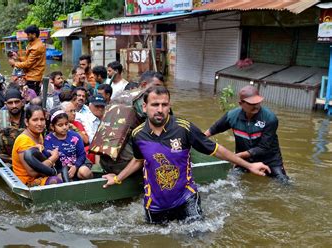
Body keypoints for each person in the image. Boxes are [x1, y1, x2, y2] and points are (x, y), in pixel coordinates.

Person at [103, 86, 271, 224]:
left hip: (186, 198)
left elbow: (216, 149)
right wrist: (118, 178)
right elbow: (138, 160)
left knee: (198, 237)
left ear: (169, 106)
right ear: (145, 107)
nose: (160, 110)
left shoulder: (184, 128)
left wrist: (249, 165)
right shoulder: (138, 134)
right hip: (154, 204)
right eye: (155, 105)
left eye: (164, 104)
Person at [204, 85, 288, 182]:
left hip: (270, 160)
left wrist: (234, 157)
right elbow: (214, 129)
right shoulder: (232, 116)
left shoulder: (270, 118)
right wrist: (198, 139)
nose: (256, 106)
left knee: (283, 183)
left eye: (258, 102)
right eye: (251, 103)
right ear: (241, 103)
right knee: (230, 181)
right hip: (244, 161)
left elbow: (263, 147)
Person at [11, 105, 61, 186]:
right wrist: (53, 158)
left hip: (42, 175)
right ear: (27, 122)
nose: (40, 123)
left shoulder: (39, 135)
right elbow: (32, 172)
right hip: (27, 182)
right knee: (56, 181)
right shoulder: (23, 140)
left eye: (42, 119)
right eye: (35, 120)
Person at [44, 110, 93, 180]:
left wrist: (75, 166)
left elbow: (82, 155)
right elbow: (48, 157)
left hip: (78, 165)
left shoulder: (75, 136)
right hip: (60, 169)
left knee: (84, 172)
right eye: (60, 125)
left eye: (66, 124)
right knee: (59, 179)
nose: (64, 127)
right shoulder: (48, 139)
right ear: (52, 126)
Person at [13, 25, 46, 95]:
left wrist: (14, 64)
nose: (27, 36)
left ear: (34, 35)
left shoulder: (37, 47)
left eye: (28, 34)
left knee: (32, 97)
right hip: (30, 75)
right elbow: (28, 59)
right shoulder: (31, 44)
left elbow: (28, 64)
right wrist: (18, 58)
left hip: (34, 77)